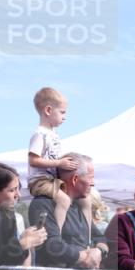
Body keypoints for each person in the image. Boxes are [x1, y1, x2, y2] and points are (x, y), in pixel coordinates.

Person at [27, 87, 92, 237]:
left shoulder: (53, 134)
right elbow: (33, 160)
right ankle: (58, 236)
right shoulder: (39, 134)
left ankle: (88, 237)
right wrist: (59, 163)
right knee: (63, 200)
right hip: (40, 181)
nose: (65, 117)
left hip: (52, 180)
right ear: (48, 110)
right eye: (62, 112)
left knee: (85, 199)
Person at [29, 153, 109, 269]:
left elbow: (100, 238)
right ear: (75, 179)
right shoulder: (43, 204)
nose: (93, 183)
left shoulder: (80, 206)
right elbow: (52, 246)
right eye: (90, 177)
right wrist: (84, 257)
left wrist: (99, 251)